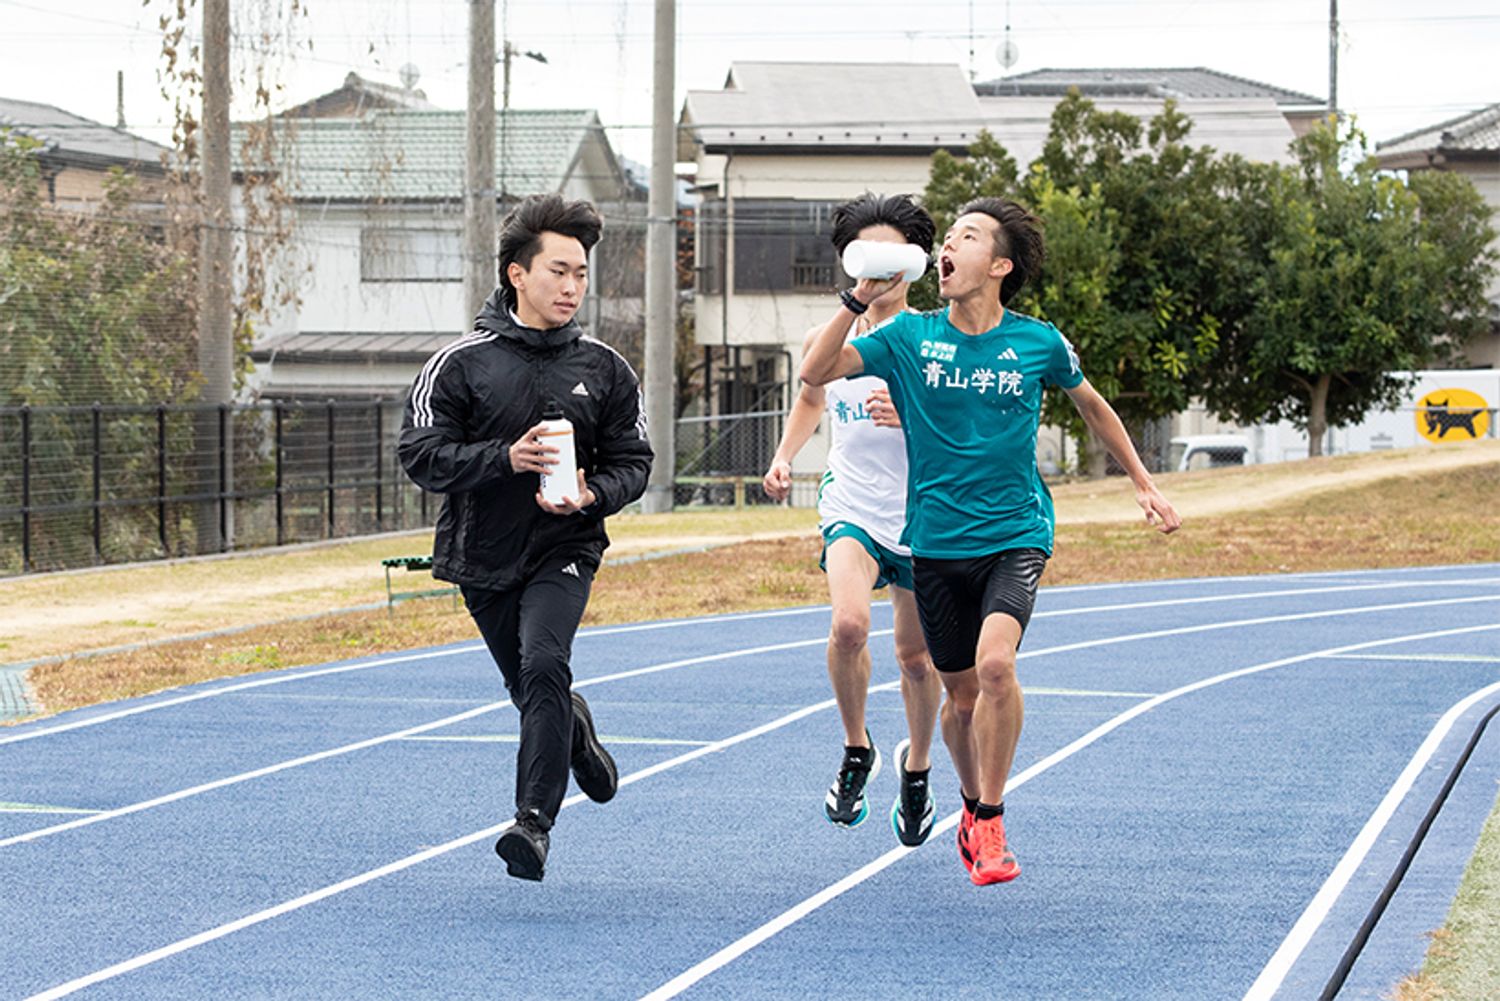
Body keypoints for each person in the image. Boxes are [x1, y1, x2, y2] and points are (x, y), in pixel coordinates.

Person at [799, 196, 1181, 886]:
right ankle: (970, 804)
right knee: (962, 699)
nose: (948, 245)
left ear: (999, 264)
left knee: (997, 665)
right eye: (947, 235)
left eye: (966, 236)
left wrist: (1143, 482)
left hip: (1015, 533)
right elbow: (816, 372)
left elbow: (1091, 404)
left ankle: (992, 814)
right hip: (937, 543)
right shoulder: (908, 338)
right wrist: (853, 302)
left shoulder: (1037, 342)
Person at [399, 194, 653, 882]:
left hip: (564, 547)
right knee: (531, 688)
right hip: (482, 556)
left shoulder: (605, 368)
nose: (572, 286)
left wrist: (593, 495)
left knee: (544, 664)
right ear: (517, 273)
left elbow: (635, 461)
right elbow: (420, 453)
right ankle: (577, 737)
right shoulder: (460, 364)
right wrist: (504, 458)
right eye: (558, 271)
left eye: (580, 273)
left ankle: (532, 824)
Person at [763, 194, 944, 847]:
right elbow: (812, 394)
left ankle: (917, 767)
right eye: (866, 256)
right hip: (855, 504)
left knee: (916, 658)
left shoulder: (934, 339)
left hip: (921, 510)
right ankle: (855, 746)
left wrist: (921, 419)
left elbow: (964, 426)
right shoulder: (829, 336)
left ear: (914, 265)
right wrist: (785, 456)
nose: (879, 272)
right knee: (847, 625)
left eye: (892, 258)